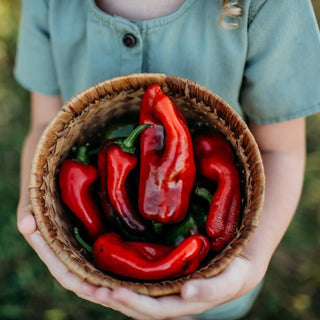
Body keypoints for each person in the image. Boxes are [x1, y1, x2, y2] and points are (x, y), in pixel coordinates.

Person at [14, 0, 320, 319]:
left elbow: (280, 150)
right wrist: (31, 208)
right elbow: (43, 126)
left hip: (220, 283)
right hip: (134, 266)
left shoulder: (270, 6)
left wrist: (250, 263)